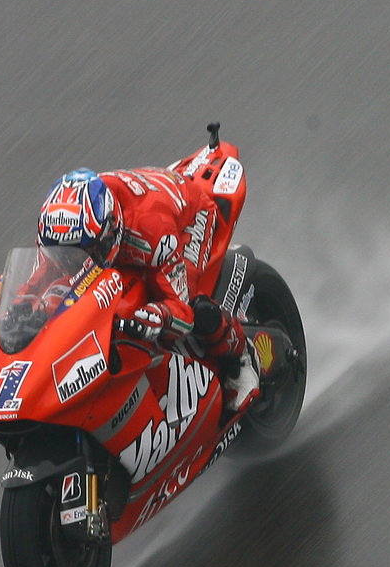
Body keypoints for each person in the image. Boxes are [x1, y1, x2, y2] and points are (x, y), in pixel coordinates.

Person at [36, 167, 259, 410]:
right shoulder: (60, 237)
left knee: (195, 305)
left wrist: (158, 315)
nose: (73, 262)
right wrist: (19, 307)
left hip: (190, 215)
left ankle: (242, 357)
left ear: (110, 231)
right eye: (64, 254)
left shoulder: (153, 233)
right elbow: (34, 283)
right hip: (145, 200)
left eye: (84, 253)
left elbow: (182, 312)